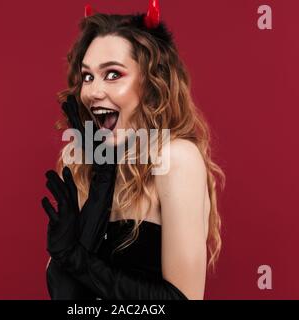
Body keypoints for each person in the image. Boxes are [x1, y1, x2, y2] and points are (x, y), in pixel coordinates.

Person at [42, 0, 225, 300]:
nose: (93, 92)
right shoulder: (86, 166)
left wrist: (75, 259)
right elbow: (69, 299)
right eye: (88, 76)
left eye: (113, 74)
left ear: (152, 84)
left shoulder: (174, 158)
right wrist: (102, 184)